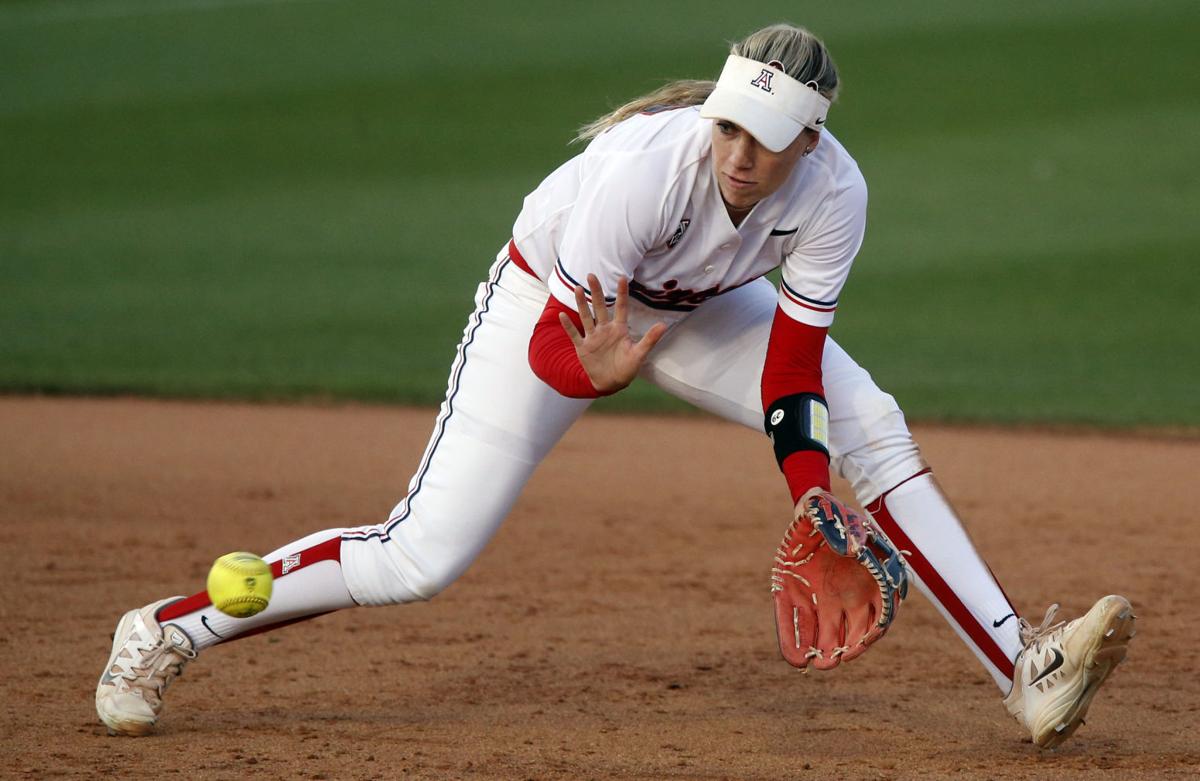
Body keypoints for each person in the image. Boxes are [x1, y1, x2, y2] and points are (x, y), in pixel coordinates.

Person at [95, 23, 1134, 748]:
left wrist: (807, 486)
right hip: (551, 310)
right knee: (420, 555)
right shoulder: (641, 173)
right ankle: (167, 629)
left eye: (764, 142)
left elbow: (793, 359)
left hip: (691, 308)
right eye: (728, 128)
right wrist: (590, 374)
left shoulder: (834, 194)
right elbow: (563, 348)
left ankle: (1024, 670)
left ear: (807, 144)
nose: (738, 154)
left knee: (871, 419)